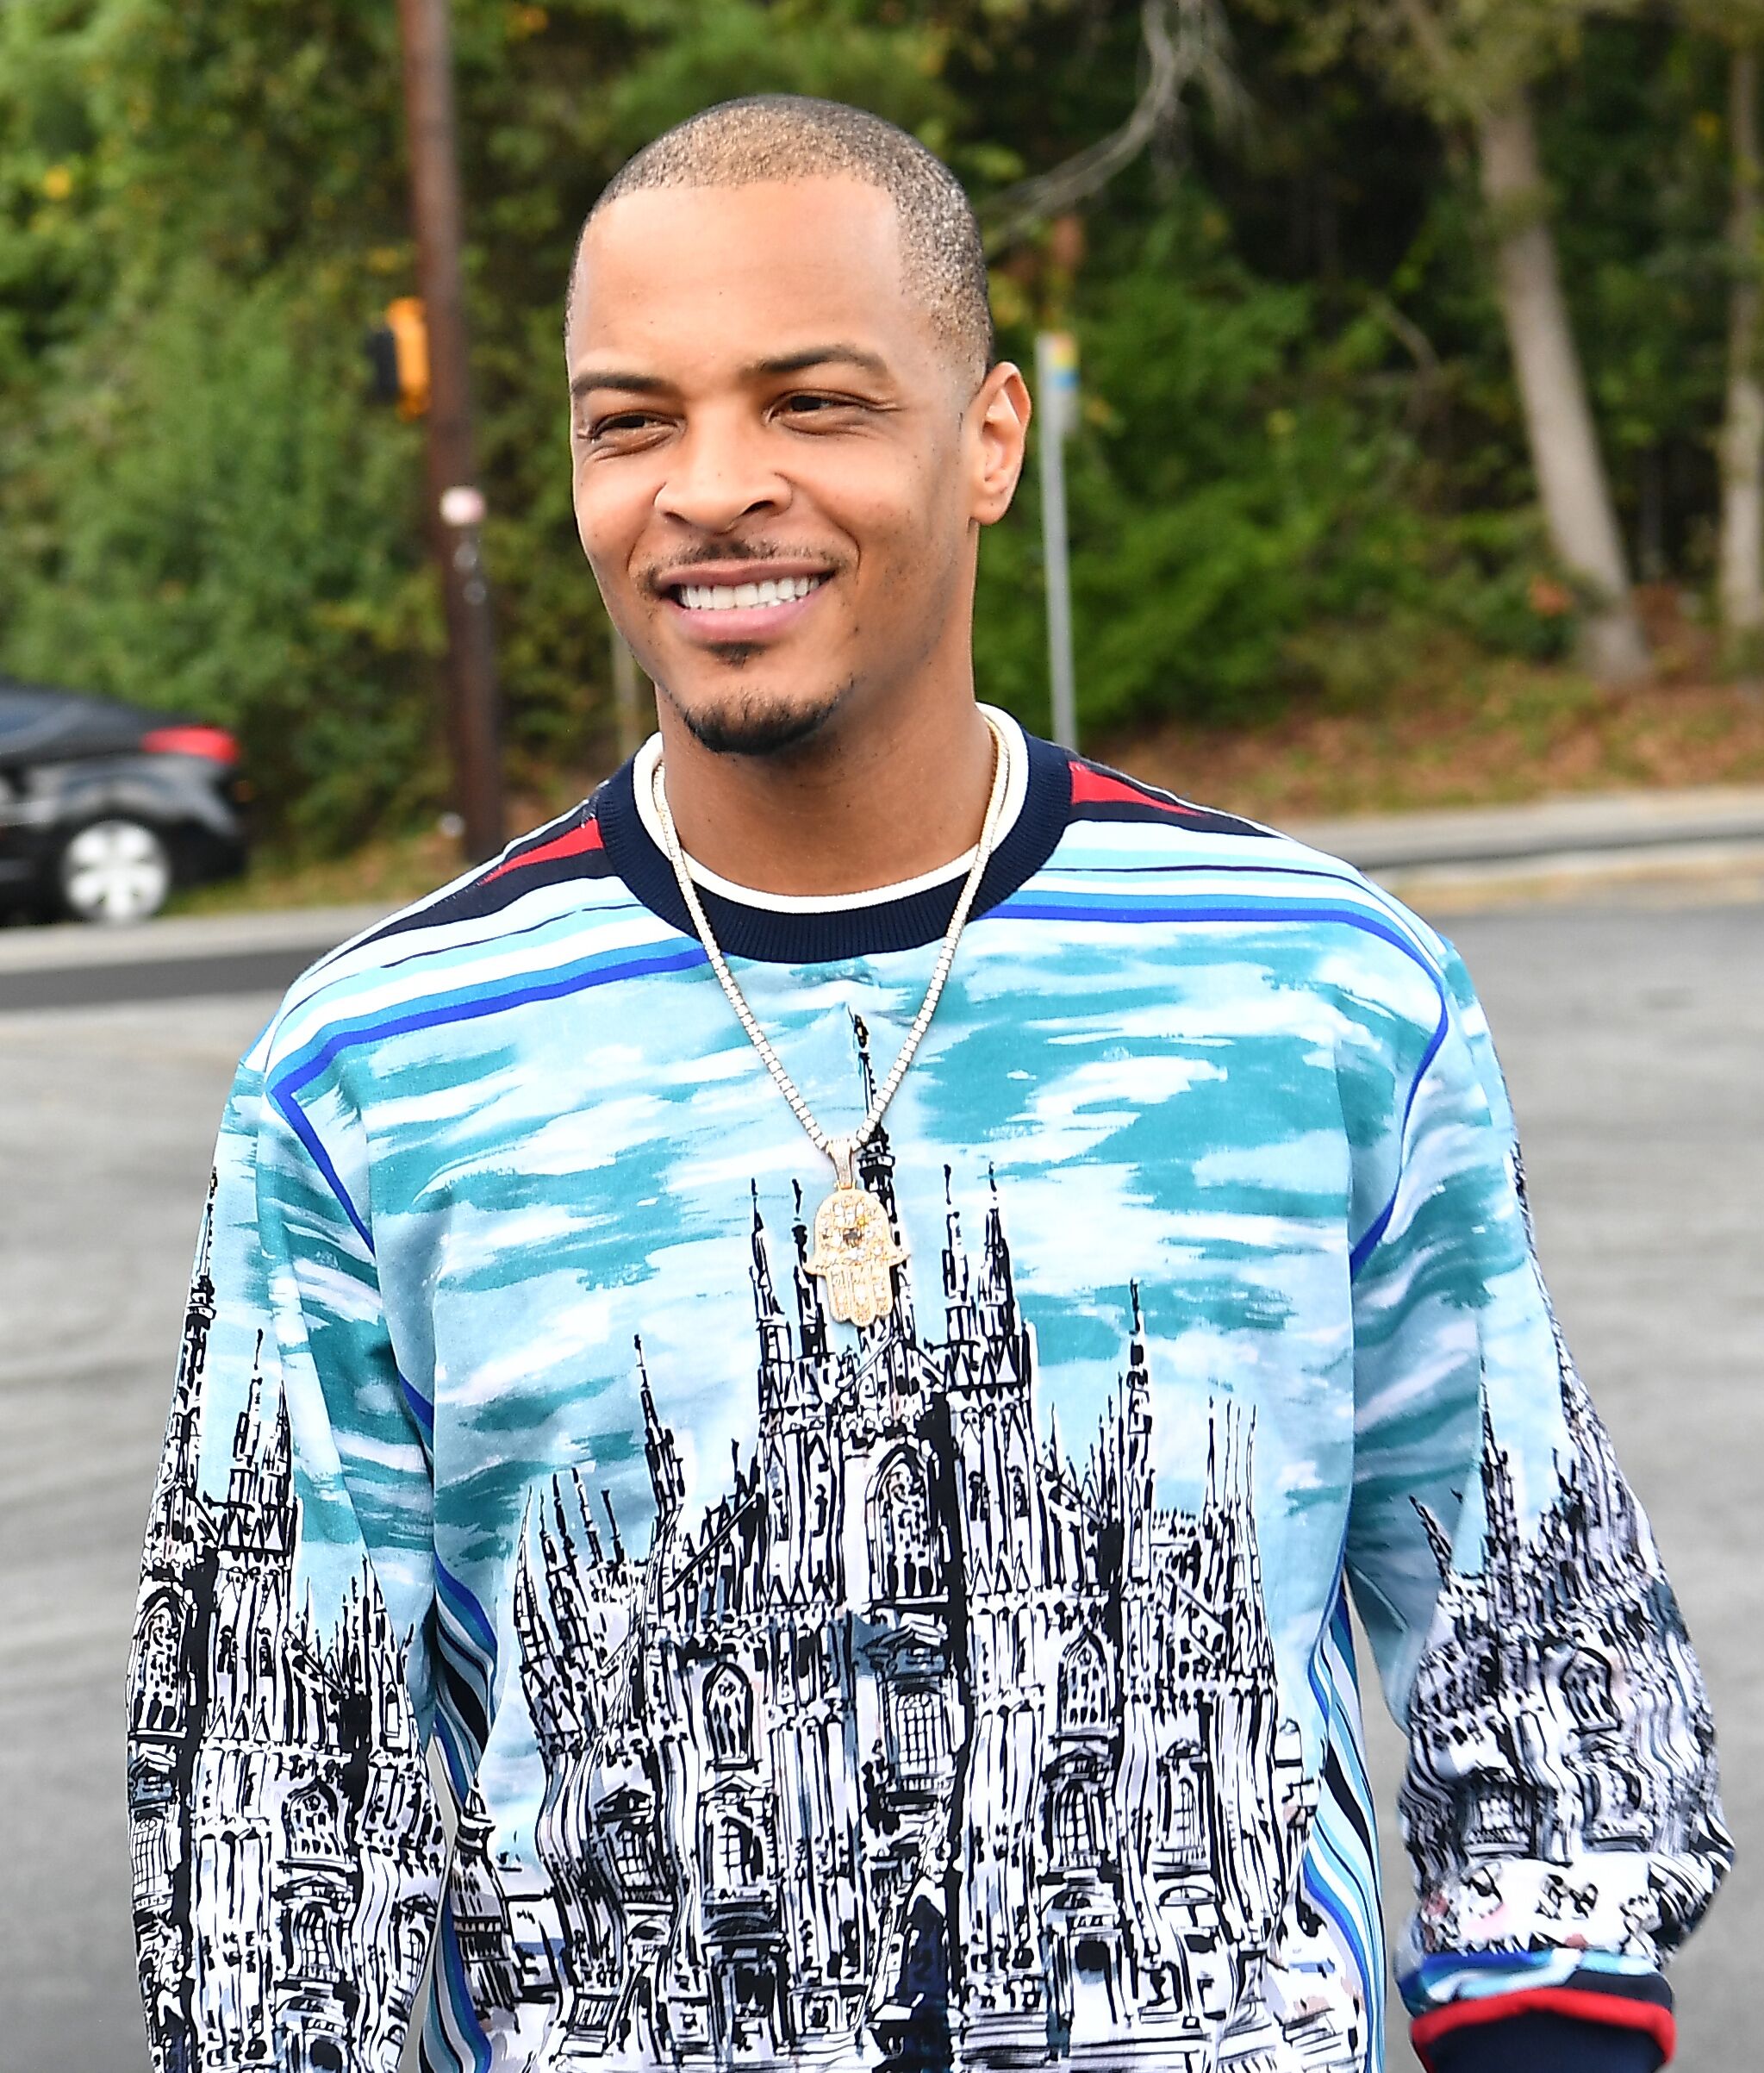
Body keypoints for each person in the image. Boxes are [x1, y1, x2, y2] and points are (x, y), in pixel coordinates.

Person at [127, 95, 1729, 2073]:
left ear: (988, 439)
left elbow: (1523, 1628)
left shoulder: (1316, 988)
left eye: (811, 402)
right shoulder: (369, 1075)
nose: (712, 487)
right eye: (631, 421)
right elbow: (271, 1808)